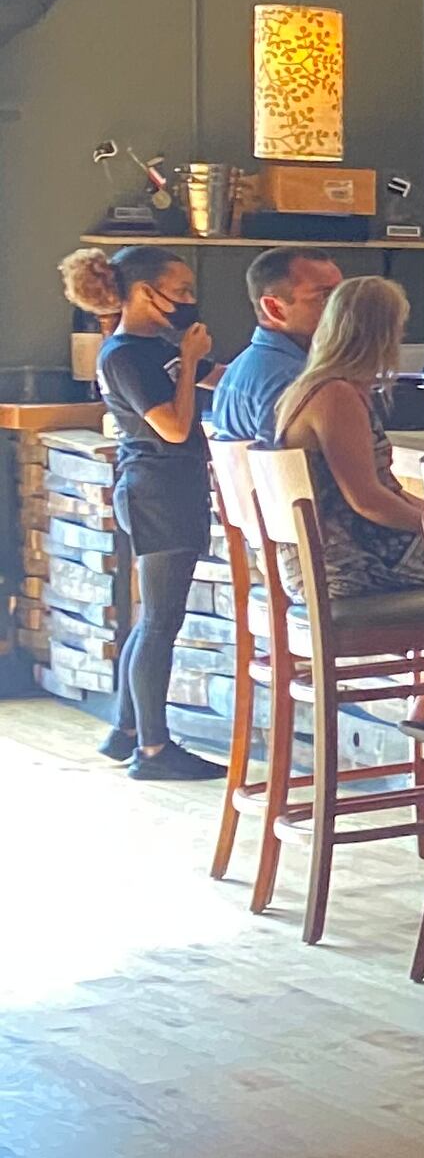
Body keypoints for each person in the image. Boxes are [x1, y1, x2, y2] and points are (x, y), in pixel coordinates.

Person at [59, 243, 222, 781]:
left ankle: (125, 727)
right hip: (156, 490)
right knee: (159, 621)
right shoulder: (124, 353)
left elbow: (215, 380)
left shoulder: (156, 346)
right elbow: (173, 427)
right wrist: (193, 361)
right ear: (143, 293)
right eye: (181, 291)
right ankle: (153, 749)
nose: (189, 301)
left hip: (167, 487)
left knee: (151, 619)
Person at [268, 277, 424, 600]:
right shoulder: (335, 395)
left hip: (327, 556)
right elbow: (366, 500)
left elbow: (389, 491)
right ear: (380, 335)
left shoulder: (312, 387)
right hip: (346, 562)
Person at [206, 246, 344, 447]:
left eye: (343, 297)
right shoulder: (292, 379)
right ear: (274, 308)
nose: (344, 309)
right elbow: (285, 474)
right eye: (325, 297)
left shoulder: (240, 366)